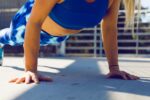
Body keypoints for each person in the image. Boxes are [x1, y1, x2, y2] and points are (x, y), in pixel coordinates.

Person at [0, 0, 140, 84]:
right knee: (11, 38)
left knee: (36, 40)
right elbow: (35, 22)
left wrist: (114, 67)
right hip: (27, 24)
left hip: (58, 37)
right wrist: (30, 70)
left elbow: (109, 28)